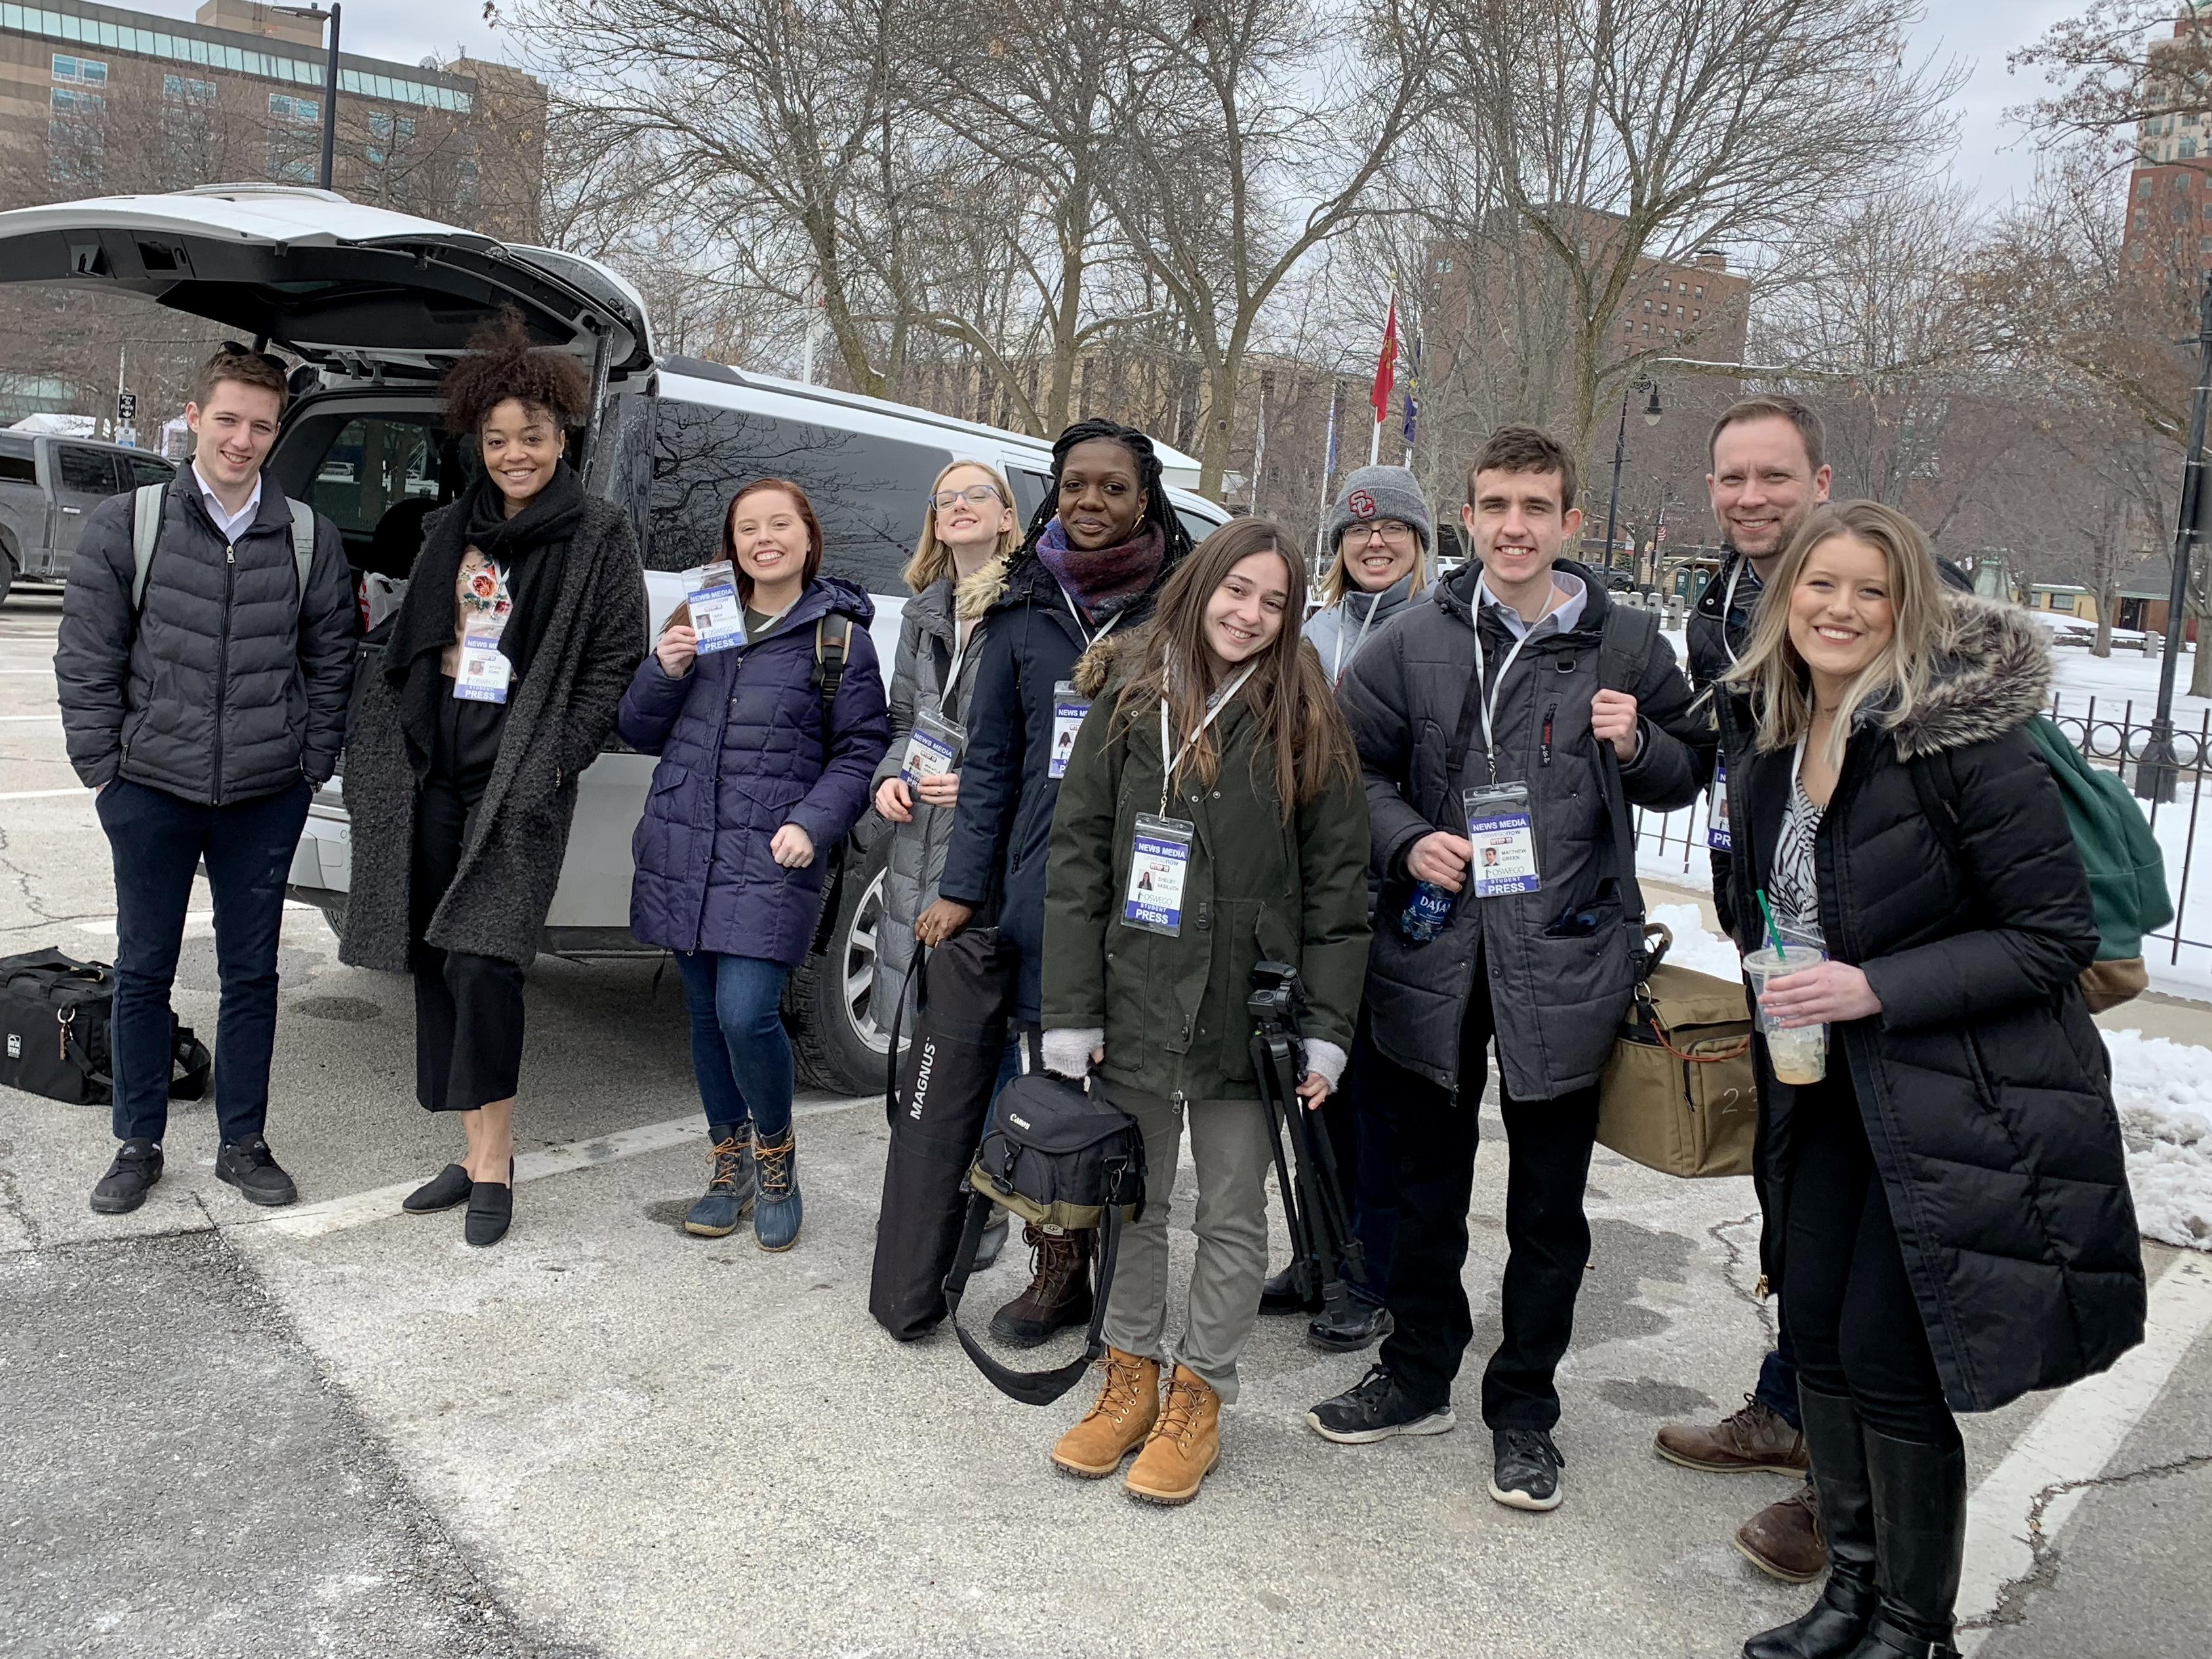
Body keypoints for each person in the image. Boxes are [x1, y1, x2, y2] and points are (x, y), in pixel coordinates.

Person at [1723, 500, 2144, 1659]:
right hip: (1818, 1093)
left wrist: (1873, 985)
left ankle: (1914, 1629)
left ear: (1907, 608)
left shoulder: (1959, 745)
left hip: (1948, 1096)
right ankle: (1849, 1594)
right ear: (1785, 597)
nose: (1840, 609)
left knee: (1884, 1355)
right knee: (1814, 1332)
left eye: (1870, 590)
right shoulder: (1769, 738)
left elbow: (2053, 936)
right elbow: (1778, 900)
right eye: (1820, 585)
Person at [1306, 424, 1705, 1514]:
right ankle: (1416, 1370)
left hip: (1564, 958)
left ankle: (1522, 1410)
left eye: (1535, 507)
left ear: (1568, 519)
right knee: (1424, 1190)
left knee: (1545, 1215)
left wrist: (1640, 747)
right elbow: (1351, 768)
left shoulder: (1622, 645)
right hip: (1435, 951)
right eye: (1494, 506)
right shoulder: (1416, 639)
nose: (1513, 527)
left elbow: (1684, 774)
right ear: (1468, 519)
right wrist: (1401, 838)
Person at [1039, 517, 1370, 1506]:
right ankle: (1128, 1376)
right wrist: (1072, 1008)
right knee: (1133, 1199)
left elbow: (1339, 885)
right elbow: (1076, 857)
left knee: (1231, 1210)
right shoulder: (1131, 692)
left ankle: (1200, 1395)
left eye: (1274, 601)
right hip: (1135, 988)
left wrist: (1328, 1025)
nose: (1250, 614)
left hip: (1245, 1008)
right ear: (1201, 585)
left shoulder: (1306, 712)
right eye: (1237, 591)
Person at [341, 311, 646, 1248]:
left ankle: (497, 1157)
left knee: (488, 962)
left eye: (535, 437)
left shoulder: (597, 536)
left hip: (518, 778)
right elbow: (409, 638)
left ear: (565, 438)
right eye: (499, 439)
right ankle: (473, 1149)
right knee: (435, 953)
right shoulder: (449, 526)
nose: (516, 454)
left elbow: (615, 659)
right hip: (433, 766)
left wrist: (557, 757)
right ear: (480, 439)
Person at [57, 343, 356, 1215]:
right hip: (150, 785)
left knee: (251, 972)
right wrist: (103, 770)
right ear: (195, 416)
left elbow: (332, 664)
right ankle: (137, 1142)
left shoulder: (307, 535)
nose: (243, 439)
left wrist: (311, 765)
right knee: (145, 969)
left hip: (265, 792)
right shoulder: (132, 522)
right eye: (228, 419)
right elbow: (86, 655)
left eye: (262, 425)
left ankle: (243, 1141)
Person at [917, 418, 1193, 1347]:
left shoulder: (1180, 607)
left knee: (1134, 1079)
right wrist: (962, 887)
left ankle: (1128, 1261)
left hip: (1148, 884)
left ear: (1144, 496)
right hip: (1042, 885)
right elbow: (990, 760)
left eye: (1113, 488)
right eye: (1076, 485)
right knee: (1049, 1076)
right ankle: (1057, 1265)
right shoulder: (1023, 607)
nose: (1091, 504)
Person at [622, 479, 889, 1252]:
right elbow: (639, 730)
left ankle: (775, 1159)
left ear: (809, 539)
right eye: (748, 528)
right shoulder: (699, 617)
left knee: (746, 1012)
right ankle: (726, 1163)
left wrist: (813, 820)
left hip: (770, 852)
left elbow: (861, 749)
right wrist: (661, 668)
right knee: (705, 1016)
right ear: (732, 542)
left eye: (780, 525)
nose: (763, 538)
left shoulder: (837, 635)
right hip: (686, 844)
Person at [1661, 395, 1832, 1578]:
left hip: (1856, 960)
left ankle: (1847, 1486)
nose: (1750, 496)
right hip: (1770, 941)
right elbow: (1709, 765)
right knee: (1790, 1189)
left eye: (1773, 476)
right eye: (1732, 478)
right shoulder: (1720, 601)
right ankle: (1787, 1404)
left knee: (1852, 1213)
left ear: (1819, 480)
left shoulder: (1846, 587)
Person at [1257, 464, 1434, 1352]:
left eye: (1392, 530)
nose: (1374, 542)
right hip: (1309, 890)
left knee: (1377, 1100)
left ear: (1420, 542)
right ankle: (1319, 1252)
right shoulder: (1309, 633)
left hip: (1400, 898)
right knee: (1313, 1084)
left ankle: (1372, 1273)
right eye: (1358, 530)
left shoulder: (1438, 634)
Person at [870, 458, 1022, 1267]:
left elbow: (1043, 736)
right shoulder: (922, 611)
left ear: (1006, 516)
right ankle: (935, 1187)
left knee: (985, 1032)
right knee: (933, 1027)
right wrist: (892, 774)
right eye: (945, 499)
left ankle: (988, 1195)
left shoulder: (1027, 606)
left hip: (989, 846)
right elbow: (904, 718)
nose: (959, 507)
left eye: (977, 497)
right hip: (918, 839)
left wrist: (985, 778)